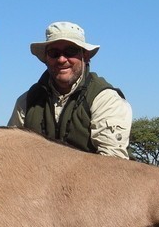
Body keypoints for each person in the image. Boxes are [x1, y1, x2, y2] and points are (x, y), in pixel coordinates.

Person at [7, 21, 132, 158]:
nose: (61, 59)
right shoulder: (26, 101)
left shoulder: (105, 99)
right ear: (46, 58)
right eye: (54, 53)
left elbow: (113, 163)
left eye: (70, 51)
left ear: (85, 56)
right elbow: (11, 153)